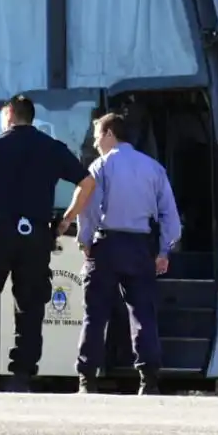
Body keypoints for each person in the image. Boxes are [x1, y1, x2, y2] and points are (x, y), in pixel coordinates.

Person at [0, 94, 97, 393]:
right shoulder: (51, 148)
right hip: (35, 235)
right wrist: (65, 220)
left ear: (9, 115)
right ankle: (21, 376)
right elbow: (87, 183)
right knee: (30, 306)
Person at [74, 112, 182, 396]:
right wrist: (163, 251)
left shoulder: (100, 167)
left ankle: (87, 380)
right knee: (143, 313)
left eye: (98, 136)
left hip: (107, 245)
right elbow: (170, 216)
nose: (96, 143)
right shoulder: (154, 168)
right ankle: (149, 380)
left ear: (110, 134)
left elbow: (90, 210)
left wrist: (85, 242)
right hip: (140, 247)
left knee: (95, 314)